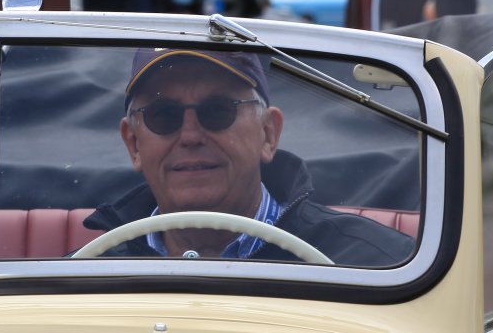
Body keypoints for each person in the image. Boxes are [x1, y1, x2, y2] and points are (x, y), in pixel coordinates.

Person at [83, 48, 416, 265]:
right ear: (134, 144)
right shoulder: (83, 279)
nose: (190, 136)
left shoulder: (379, 267)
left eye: (218, 110)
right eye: (163, 115)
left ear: (268, 133)